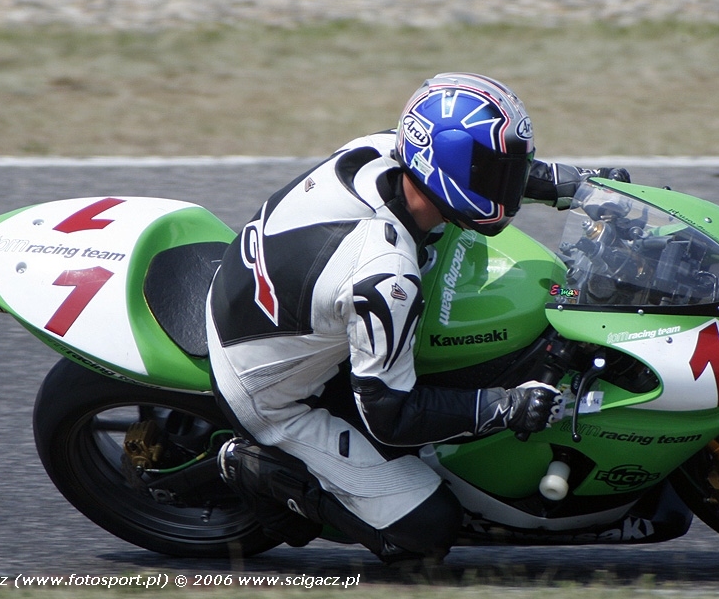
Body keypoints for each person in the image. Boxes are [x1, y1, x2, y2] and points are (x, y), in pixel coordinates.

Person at [208, 72, 629, 563]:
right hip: (271, 393)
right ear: (451, 172)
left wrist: (580, 186)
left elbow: (478, 169)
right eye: (500, 174)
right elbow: (390, 416)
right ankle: (255, 468)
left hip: (274, 302)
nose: (511, 185)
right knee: (426, 531)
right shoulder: (387, 276)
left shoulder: (385, 149)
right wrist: (505, 406)